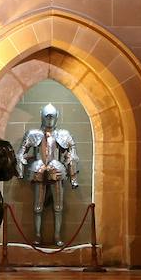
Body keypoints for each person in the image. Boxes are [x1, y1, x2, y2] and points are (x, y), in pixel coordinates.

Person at [17, 101, 81, 247]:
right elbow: (21, 152)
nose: (50, 120)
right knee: (37, 207)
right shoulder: (33, 134)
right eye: (47, 116)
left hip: (57, 170)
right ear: (42, 116)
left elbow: (72, 155)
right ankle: (38, 236)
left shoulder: (64, 134)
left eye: (52, 117)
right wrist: (21, 168)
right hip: (38, 170)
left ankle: (57, 236)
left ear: (57, 117)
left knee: (58, 207)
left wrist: (73, 178)